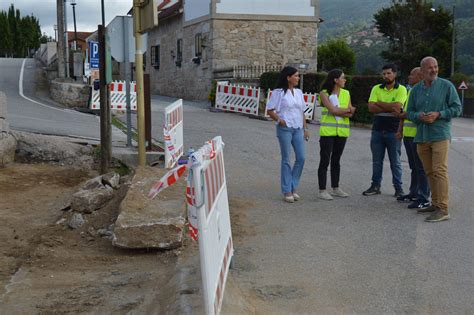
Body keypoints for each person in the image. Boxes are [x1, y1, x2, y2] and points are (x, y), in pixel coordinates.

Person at [407, 56, 462, 222]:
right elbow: (409, 112)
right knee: (429, 171)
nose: (434, 70)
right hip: (422, 136)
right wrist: (419, 117)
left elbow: (457, 108)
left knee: (439, 170)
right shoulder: (415, 90)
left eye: (436, 67)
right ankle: (435, 203)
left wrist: (439, 114)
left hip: (440, 135)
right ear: (422, 71)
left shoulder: (446, 86)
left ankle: (443, 209)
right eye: (430, 68)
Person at [363, 64, 407, 197]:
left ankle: (398, 188)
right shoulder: (376, 88)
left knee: (395, 161)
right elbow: (371, 108)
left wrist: (379, 103)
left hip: (393, 131)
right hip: (377, 130)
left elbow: (398, 107)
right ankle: (375, 185)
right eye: (384, 74)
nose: (386, 76)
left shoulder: (402, 89)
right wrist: (390, 107)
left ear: (395, 74)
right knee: (377, 161)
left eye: (389, 73)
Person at [267, 66, 310, 203]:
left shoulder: (298, 92)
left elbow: (301, 111)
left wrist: (306, 128)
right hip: (284, 128)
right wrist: (280, 120)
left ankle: (293, 186)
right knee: (286, 159)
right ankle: (287, 190)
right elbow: (270, 110)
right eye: (296, 76)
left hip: (298, 128)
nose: (298, 78)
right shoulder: (278, 92)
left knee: (301, 157)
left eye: (298, 76)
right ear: (288, 77)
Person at [396, 67, 431, 210]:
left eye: (412, 74)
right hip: (409, 135)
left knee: (421, 168)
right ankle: (414, 193)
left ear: (420, 76)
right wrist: (400, 129)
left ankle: (423, 197)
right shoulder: (411, 91)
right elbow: (405, 112)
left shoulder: (424, 92)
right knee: (414, 167)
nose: (409, 77)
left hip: (419, 135)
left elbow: (411, 113)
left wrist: (403, 114)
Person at [317, 69, 355, 200]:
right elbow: (332, 110)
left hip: (342, 132)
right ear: (335, 80)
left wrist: (343, 111)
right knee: (325, 160)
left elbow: (351, 113)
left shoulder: (346, 93)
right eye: (343, 78)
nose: (345, 80)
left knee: (336, 160)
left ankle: (335, 187)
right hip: (328, 132)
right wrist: (346, 110)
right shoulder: (324, 93)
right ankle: (322, 190)